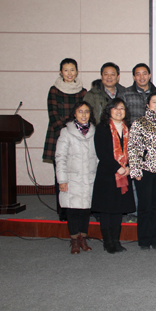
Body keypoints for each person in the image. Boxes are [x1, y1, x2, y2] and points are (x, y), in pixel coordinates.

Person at [43, 58, 87, 222]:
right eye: (66, 70)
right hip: (59, 135)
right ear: (61, 72)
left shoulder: (83, 92)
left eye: (72, 70)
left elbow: (84, 115)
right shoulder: (54, 90)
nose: (69, 73)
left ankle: (78, 208)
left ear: (77, 71)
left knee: (78, 175)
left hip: (79, 137)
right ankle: (63, 210)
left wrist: (77, 134)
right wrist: (67, 133)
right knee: (62, 175)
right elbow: (53, 114)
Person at [128, 92, 156, 250]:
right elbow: (132, 147)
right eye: (154, 102)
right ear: (147, 105)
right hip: (144, 170)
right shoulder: (139, 123)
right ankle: (144, 240)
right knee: (144, 206)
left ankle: (155, 239)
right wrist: (135, 170)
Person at [91, 98, 136, 254]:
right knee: (106, 210)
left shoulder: (128, 128)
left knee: (118, 209)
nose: (119, 111)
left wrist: (129, 167)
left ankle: (116, 241)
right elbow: (102, 152)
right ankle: (108, 242)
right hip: (107, 174)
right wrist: (117, 168)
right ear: (109, 110)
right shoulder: (102, 128)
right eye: (115, 108)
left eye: (122, 108)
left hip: (124, 174)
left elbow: (133, 150)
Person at [55, 101, 98, 254]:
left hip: (89, 178)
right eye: (80, 111)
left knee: (85, 210)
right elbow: (60, 157)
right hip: (72, 178)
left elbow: (98, 157)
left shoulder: (95, 131)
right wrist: (62, 180)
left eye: (86, 111)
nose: (84, 115)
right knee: (73, 210)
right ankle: (74, 240)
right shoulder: (66, 132)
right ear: (74, 114)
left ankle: (83, 238)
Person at [122, 63, 156, 223]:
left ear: (149, 75)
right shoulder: (126, 94)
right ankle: (136, 211)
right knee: (136, 176)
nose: (142, 77)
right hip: (135, 142)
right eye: (138, 74)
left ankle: (150, 211)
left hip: (155, 144)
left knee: (152, 180)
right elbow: (122, 117)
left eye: (145, 73)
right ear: (134, 76)